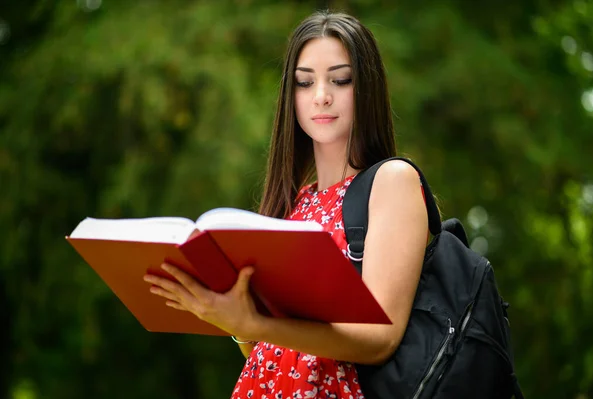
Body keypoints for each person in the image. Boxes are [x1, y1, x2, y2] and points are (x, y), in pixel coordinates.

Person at [142, 10, 428, 399]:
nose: (321, 95)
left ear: (367, 88)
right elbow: (271, 355)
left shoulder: (392, 181)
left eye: (340, 80)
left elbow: (380, 338)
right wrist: (238, 323)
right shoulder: (295, 204)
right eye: (304, 82)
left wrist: (257, 326)